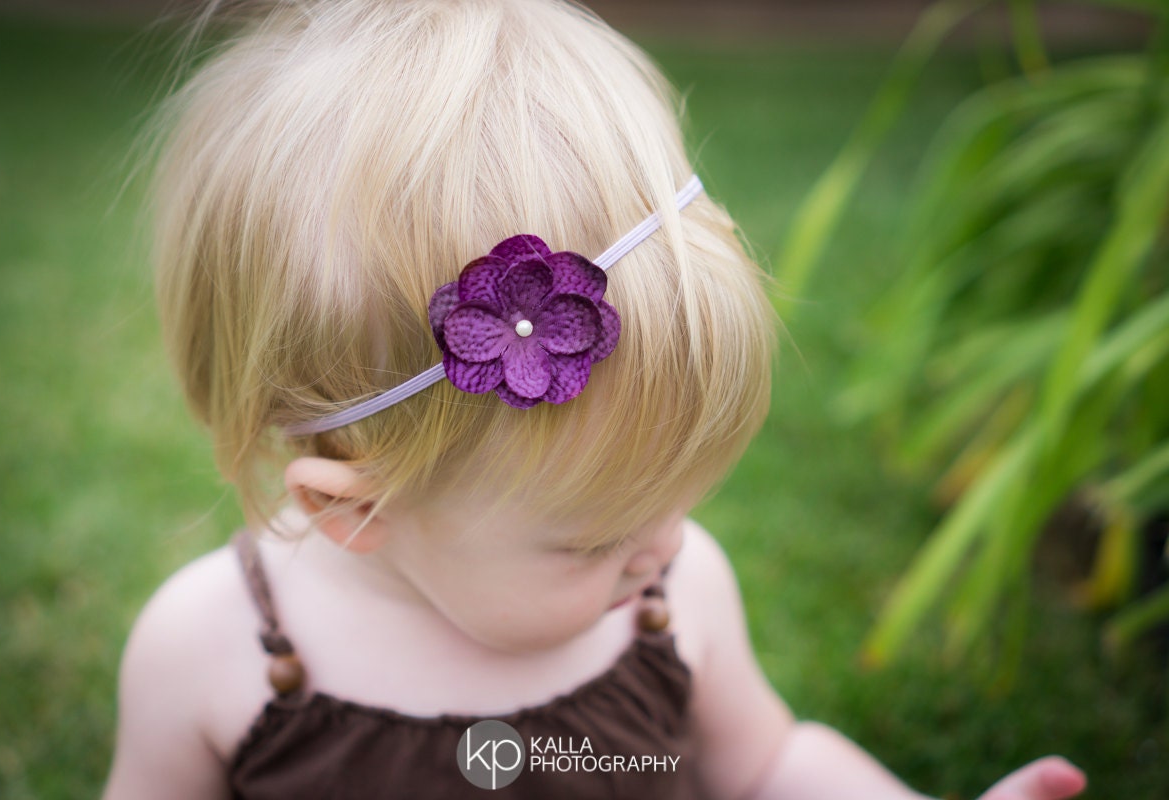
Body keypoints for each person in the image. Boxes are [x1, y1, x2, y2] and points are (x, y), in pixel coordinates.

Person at [102, 1, 1088, 797]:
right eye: (594, 539)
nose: (667, 547)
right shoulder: (211, 652)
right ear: (355, 511)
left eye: (675, 500)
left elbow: (765, 766)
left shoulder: (672, 596)